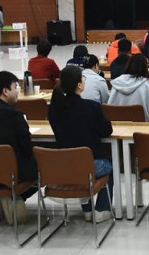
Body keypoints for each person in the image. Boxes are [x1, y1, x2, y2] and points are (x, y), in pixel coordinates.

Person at [48, 65, 114, 223]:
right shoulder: (92, 107)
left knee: (81, 169)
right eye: (83, 78)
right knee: (110, 167)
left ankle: (87, 210)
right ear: (79, 85)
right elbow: (106, 131)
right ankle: (102, 209)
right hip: (90, 164)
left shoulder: (54, 109)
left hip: (64, 165)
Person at [0, 71, 37, 225]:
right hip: (15, 174)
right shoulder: (15, 115)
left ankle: (7, 197)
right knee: (41, 169)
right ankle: (14, 196)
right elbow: (27, 148)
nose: (18, 91)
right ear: (5, 91)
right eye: (15, 87)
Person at [108, 54, 149, 122]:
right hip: (143, 124)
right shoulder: (147, 84)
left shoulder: (117, 83)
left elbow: (110, 105)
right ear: (145, 67)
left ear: (129, 65)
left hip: (118, 124)